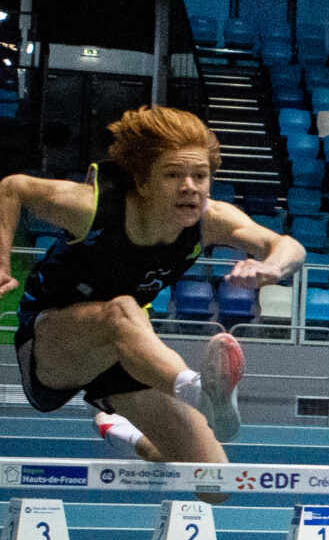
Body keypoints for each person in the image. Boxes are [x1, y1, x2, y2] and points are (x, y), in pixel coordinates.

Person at [0, 106, 304, 464]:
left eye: (200, 176)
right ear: (142, 182)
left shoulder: (210, 219)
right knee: (123, 310)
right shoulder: (92, 208)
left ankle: (123, 432)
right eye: (173, 175)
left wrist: (271, 266)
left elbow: (288, 245)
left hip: (126, 353)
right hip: (52, 342)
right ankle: (199, 392)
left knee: (211, 472)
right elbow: (13, 187)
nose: (190, 187)